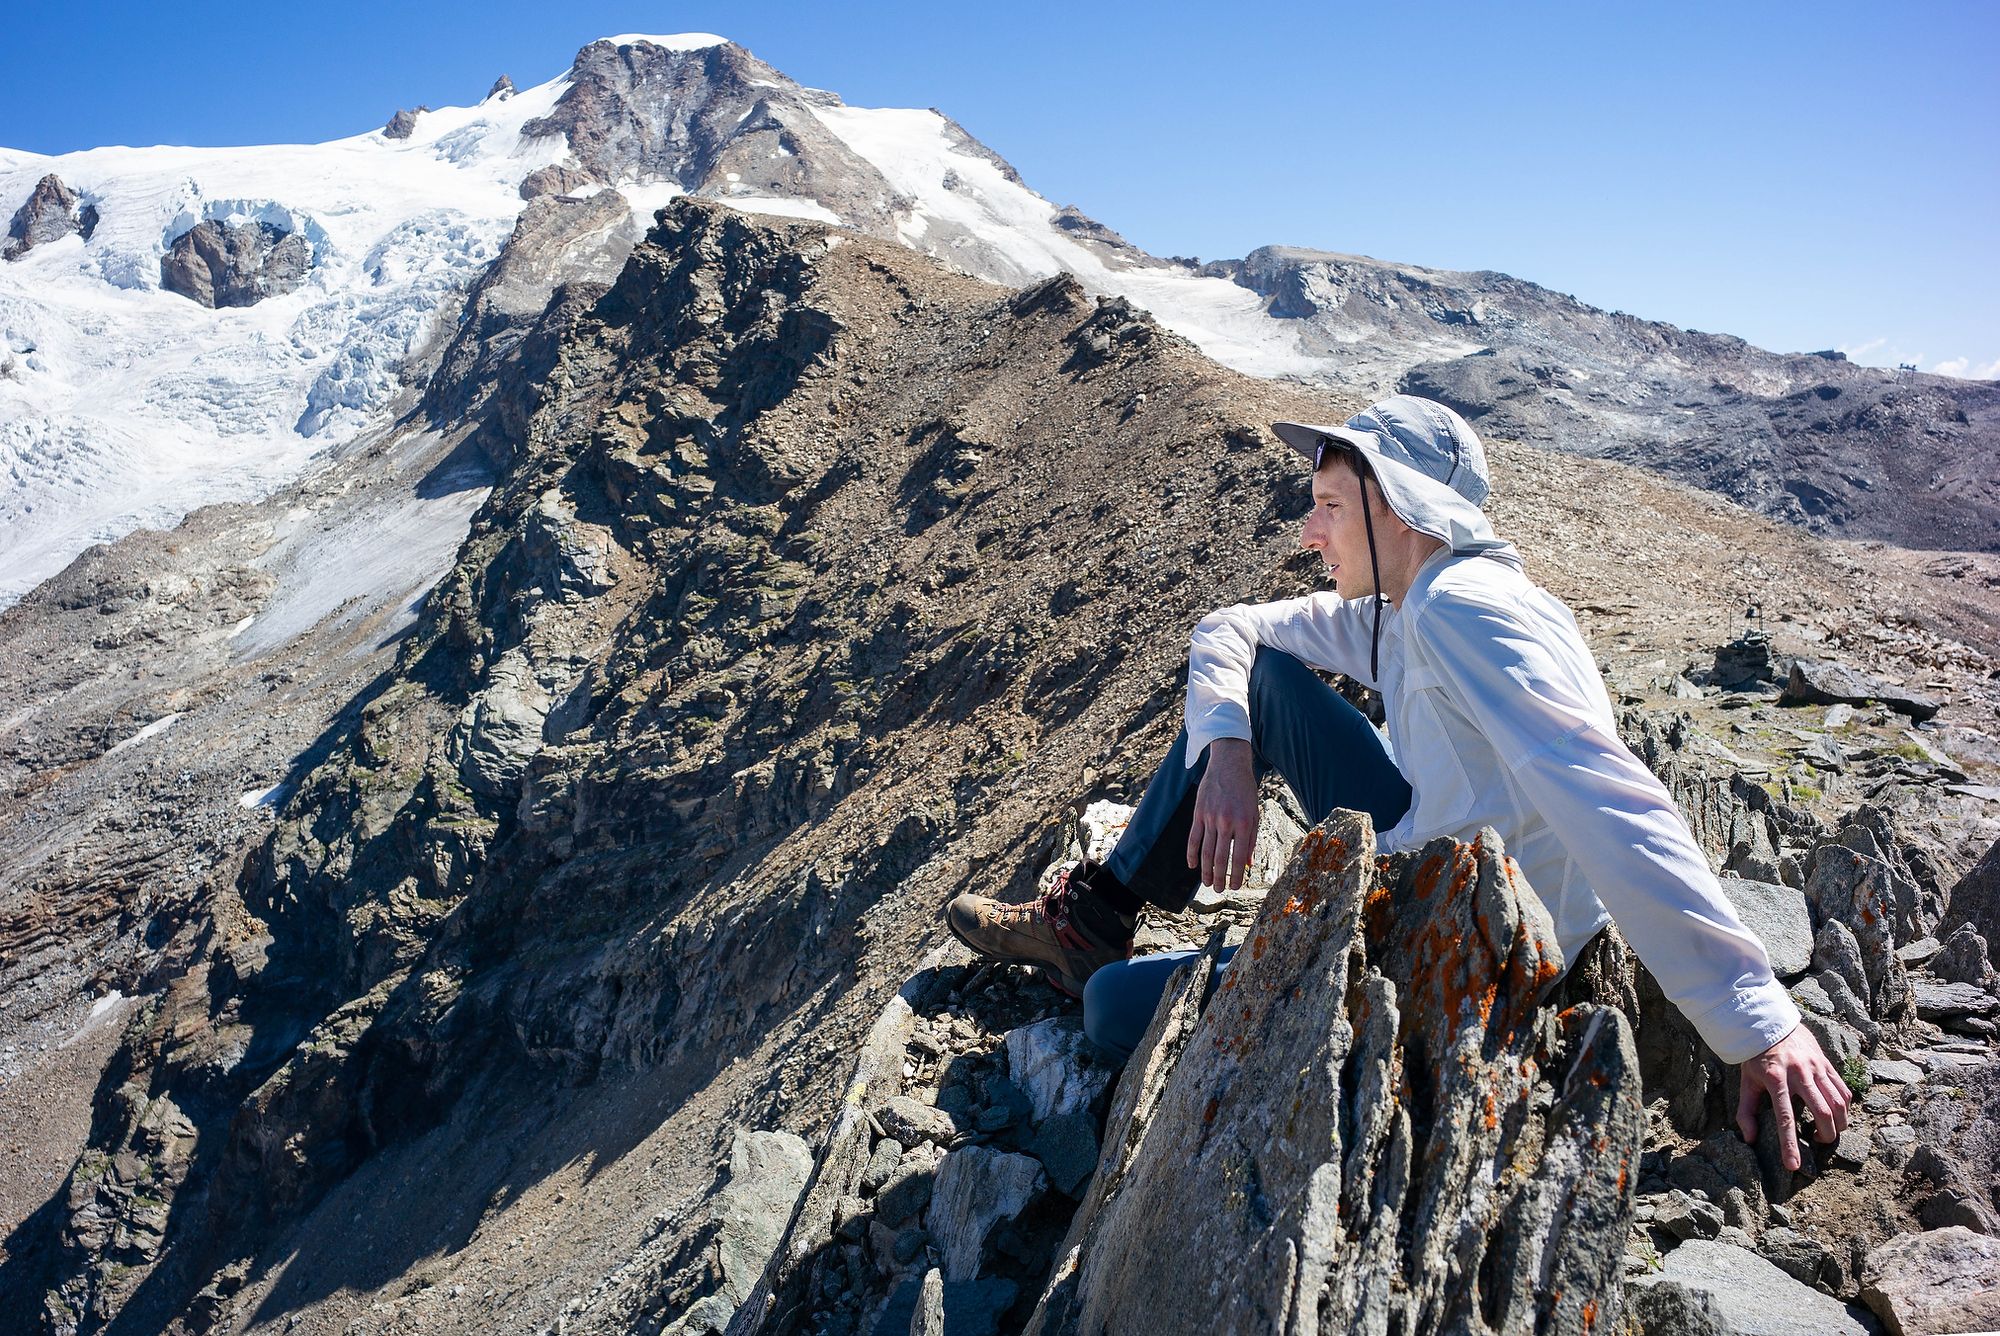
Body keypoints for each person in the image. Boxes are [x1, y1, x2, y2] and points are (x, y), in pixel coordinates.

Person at [946, 394, 1850, 1170]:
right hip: (1435, 856)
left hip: (1460, 942)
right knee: (1262, 679)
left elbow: (1608, 796)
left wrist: (1755, 1018)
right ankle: (1095, 917)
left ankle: (1107, 953)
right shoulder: (1416, 605)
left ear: (1400, 507)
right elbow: (1229, 627)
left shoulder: (1467, 610)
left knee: (1111, 1011)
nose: (1309, 532)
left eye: (1331, 505)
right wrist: (1227, 747)